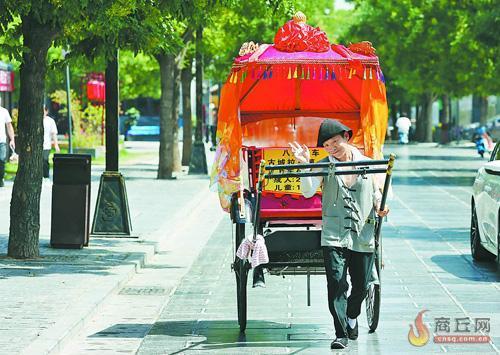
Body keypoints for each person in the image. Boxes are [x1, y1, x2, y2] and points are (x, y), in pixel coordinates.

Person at [290, 119, 389, 350]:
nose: (332, 147)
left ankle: (352, 315)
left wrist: (382, 205)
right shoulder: (324, 165)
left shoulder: (367, 164)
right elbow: (306, 192)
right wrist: (305, 165)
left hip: (363, 232)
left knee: (363, 285)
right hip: (333, 234)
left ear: (346, 137)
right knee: (336, 283)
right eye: (326, 145)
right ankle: (341, 333)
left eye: (335, 141)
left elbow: (380, 193)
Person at [0, 104, 15, 187]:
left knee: (1, 160)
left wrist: (12, 139)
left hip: (1, 141)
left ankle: (0, 178)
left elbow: (9, 126)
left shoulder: (4, 111)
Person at [43, 106, 60, 178]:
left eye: (43, 110)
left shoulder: (50, 121)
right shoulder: (35, 121)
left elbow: (54, 134)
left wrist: (56, 145)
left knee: (45, 160)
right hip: (36, 146)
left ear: (46, 111)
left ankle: (46, 176)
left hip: (46, 145)